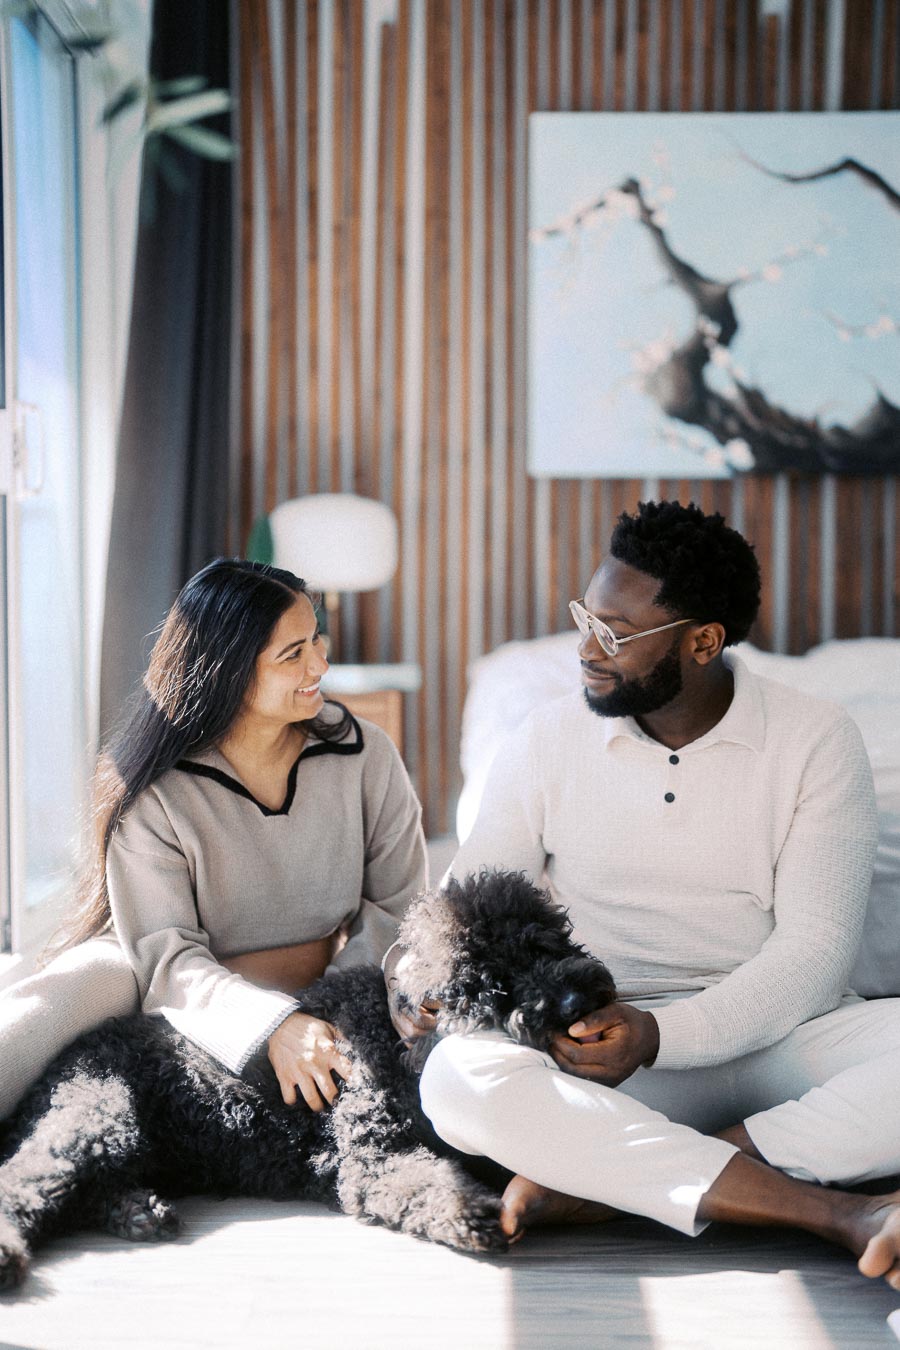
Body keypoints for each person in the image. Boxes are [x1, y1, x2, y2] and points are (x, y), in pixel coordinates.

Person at [407, 500, 900, 1287]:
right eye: (586, 618)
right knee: (455, 1081)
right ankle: (840, 1213)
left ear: (703, 641)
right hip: (597, 1054)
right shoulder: (544, 737)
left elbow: (814, 954)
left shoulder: (815, 738)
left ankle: (612, 1184)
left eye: (615, 633)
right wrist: (422, 979)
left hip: (775, 1044)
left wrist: (662, 1034)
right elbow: (469, 903)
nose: (585, 650)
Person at [0, 558, 426, 1119]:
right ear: (227, 672)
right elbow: (167, 957)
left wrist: (327, 1009)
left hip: (326, 979)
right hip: (165, 973)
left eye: (316, 638)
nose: (321, 662)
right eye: (292, 654)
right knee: (65, 995)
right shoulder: (154, 791)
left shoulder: (364, 754)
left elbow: (398, 910)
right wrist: (270, 1025)